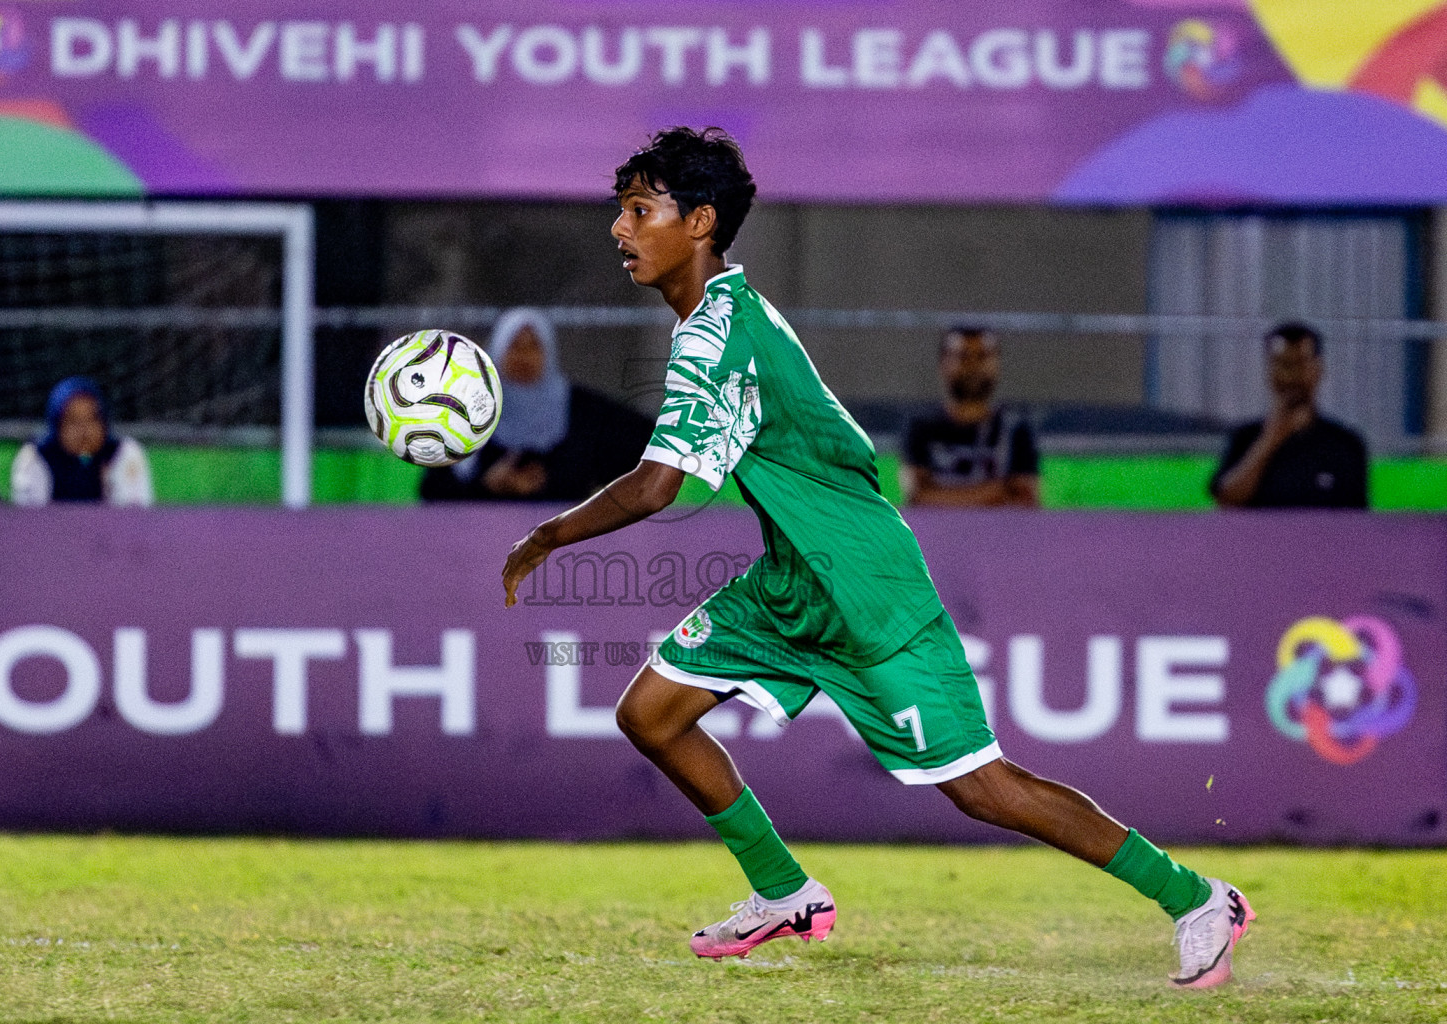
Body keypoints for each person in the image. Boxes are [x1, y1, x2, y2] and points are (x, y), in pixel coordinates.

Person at [501, 127, 1252, 987]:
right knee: (652, 713)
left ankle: (1196, 898)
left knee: (982, 788)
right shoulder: (722, 317)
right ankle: (785, 893)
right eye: (621, 211)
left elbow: (657, 487)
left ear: (700, 221)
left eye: (641, 211)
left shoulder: (716, 338)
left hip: (863, 583)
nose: (620, 229)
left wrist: (546, 535)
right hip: (793, 578)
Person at [420, 308, 649, 502]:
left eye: (534, 346)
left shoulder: (582, 409)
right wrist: (486, 486)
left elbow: (640, 446)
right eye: (515, 346)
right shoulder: (466, 413)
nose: (524, 357)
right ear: (497, 351)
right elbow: (432, 491)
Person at [1211, 323, 1368, 509]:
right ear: (1269, 371)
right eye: (1282, 364)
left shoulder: (1346, 444)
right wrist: (1271, 439)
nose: (1290, 376)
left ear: (1318, 369)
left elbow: (1358, 520)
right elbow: (1227, 500)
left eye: (1300, 364)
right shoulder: (1245, 438)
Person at [902, 327, 1039, 507]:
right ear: (944, 362)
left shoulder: (1015, 429)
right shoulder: (921, 427)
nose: (973, 366)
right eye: (963, 356)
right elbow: (917, 496)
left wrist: (942, 496)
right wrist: (995, 492)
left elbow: (1025, 500)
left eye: (983, 356)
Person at [11, 377, 153, 507]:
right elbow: (31, 521)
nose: (84, 430)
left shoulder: (123, 452)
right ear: (57, 425)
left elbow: (133, 518)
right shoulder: (35, 457)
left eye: (92, 419)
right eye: (73, 421)